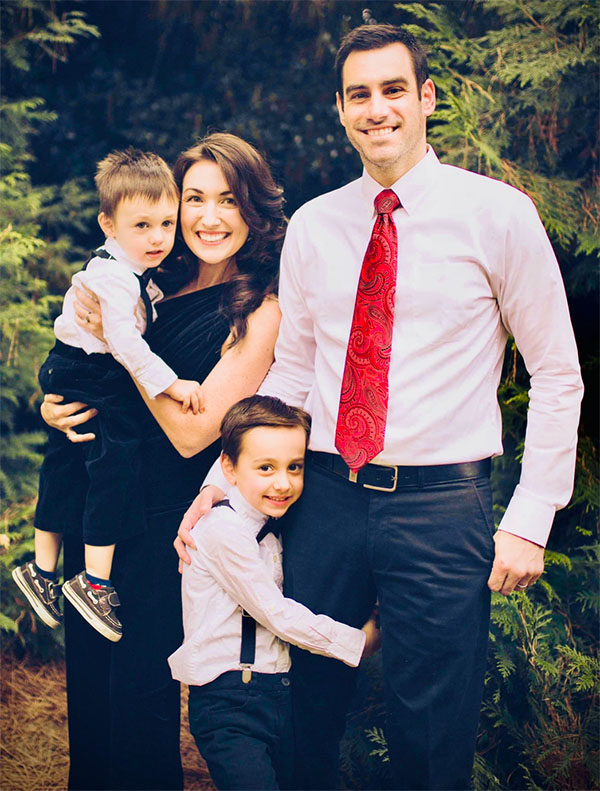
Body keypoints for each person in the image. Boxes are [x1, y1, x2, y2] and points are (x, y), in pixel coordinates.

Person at [177, 25, 584, 791]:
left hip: (441, 505)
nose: (378, 108)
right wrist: (221, 480)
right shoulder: (316, 226)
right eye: (359, 94)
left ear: (426, 98)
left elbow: (559, 372)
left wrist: (531, 516)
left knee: (432, 728)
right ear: (339, 109)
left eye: (394, 89)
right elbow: (294, 370)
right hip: (323, 496)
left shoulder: (498, 215)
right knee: (306, 713)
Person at [36, 133, 284, 791]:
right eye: (193, 199)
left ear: (253, 210)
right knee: (91, 690)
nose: (207, 217)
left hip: (159, 523)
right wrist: (56, 405)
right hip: (99, 504)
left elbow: (190, 431)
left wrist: (121, 356)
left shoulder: (259, 308)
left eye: (227, 200)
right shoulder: (148, 279)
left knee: (138, 694)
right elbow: (75, 358)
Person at [12, 148, 204, 644]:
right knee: (113, 468)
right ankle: (93, 581)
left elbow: (138, 308)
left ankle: (42, 568)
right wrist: (171, 383)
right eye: (142, 226)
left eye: (166, 222)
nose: (159, 237)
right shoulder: (115, 279)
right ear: (108, 224)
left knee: (65, 464)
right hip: (95, 374)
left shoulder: (128, 272)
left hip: (74, 369)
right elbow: (124, 341)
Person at [170, 395, 378, 790]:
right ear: (228, 468)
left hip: (276, 693)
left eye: (294, 467)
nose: (282, 482)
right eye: (265, 468)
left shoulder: (274, 528)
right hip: (230, 701)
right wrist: (359, 643)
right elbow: (276, 613)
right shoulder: (223, 530)